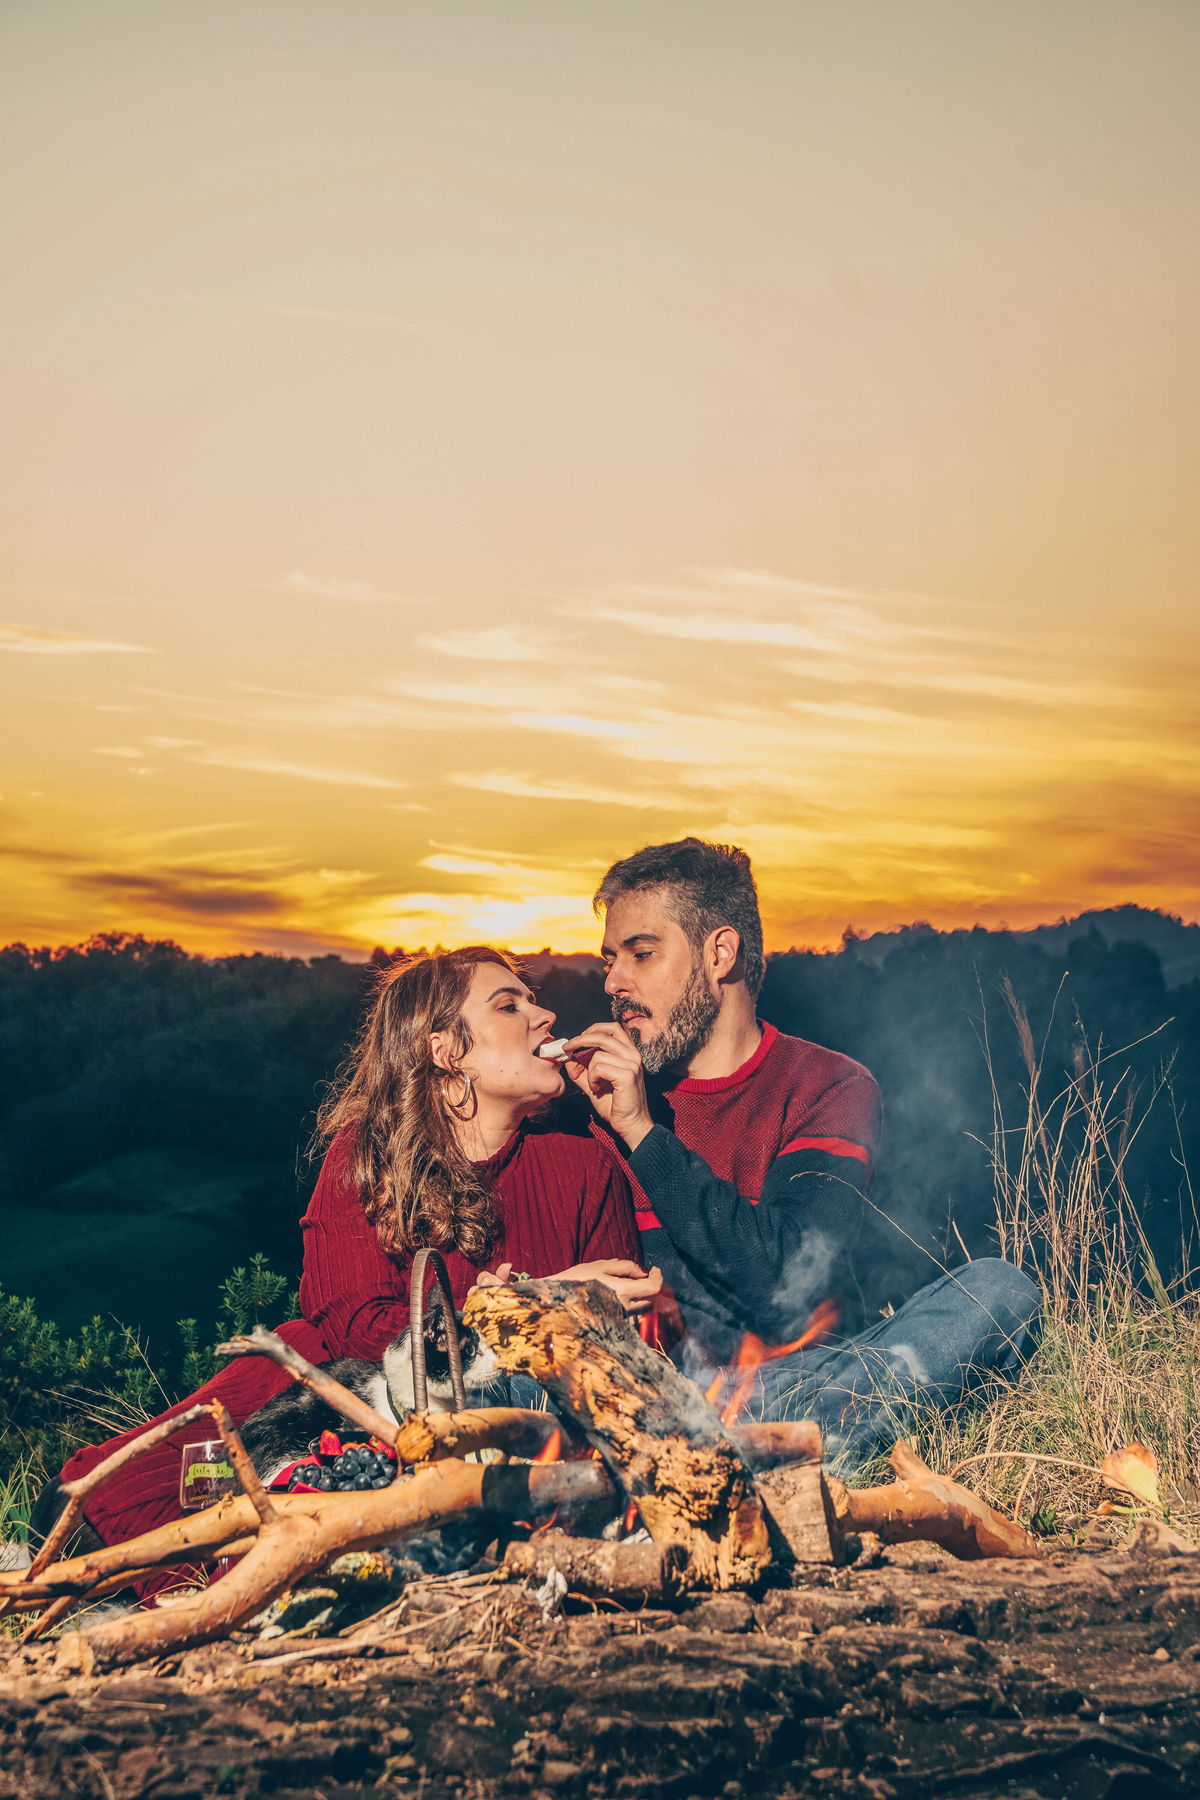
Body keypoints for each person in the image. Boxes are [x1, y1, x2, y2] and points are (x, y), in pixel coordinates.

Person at [48, 946, 657, 1582]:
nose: (544, 1014)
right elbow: (360, 1331)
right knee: (138, 1521)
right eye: (510, 1005)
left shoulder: (583, 1164)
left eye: (531, 1000)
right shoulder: (368, 1154)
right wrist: (534, 1301)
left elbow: (619, 1352)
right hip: (317, 1406)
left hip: (495, 1449)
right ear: (445, 1051)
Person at [559, 836, 1040, 1471]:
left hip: (802, 1386)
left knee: (1000, 1291)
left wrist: (645, 1135)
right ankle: (760, 1467)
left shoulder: (828, 1087)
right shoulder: (596, 1099)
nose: (614, 983)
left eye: (641, 954)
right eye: (609, 961)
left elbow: (783, 1284)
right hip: (648, 1402)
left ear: (720, 952)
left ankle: (733, 1464)